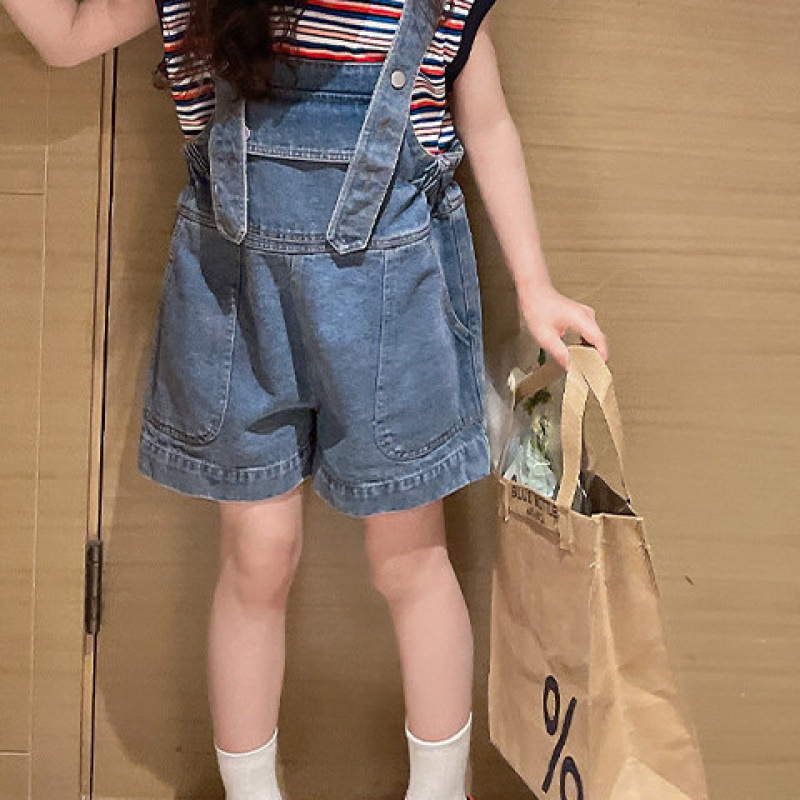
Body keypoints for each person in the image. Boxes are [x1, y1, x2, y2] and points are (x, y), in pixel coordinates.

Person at [2, 0, 609, 798]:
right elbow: (65, 37)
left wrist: (534, 285)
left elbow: (488, 123)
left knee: (409, 562)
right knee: (257, 557)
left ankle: (440, 789)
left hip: (395, 312)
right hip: (236, 308)